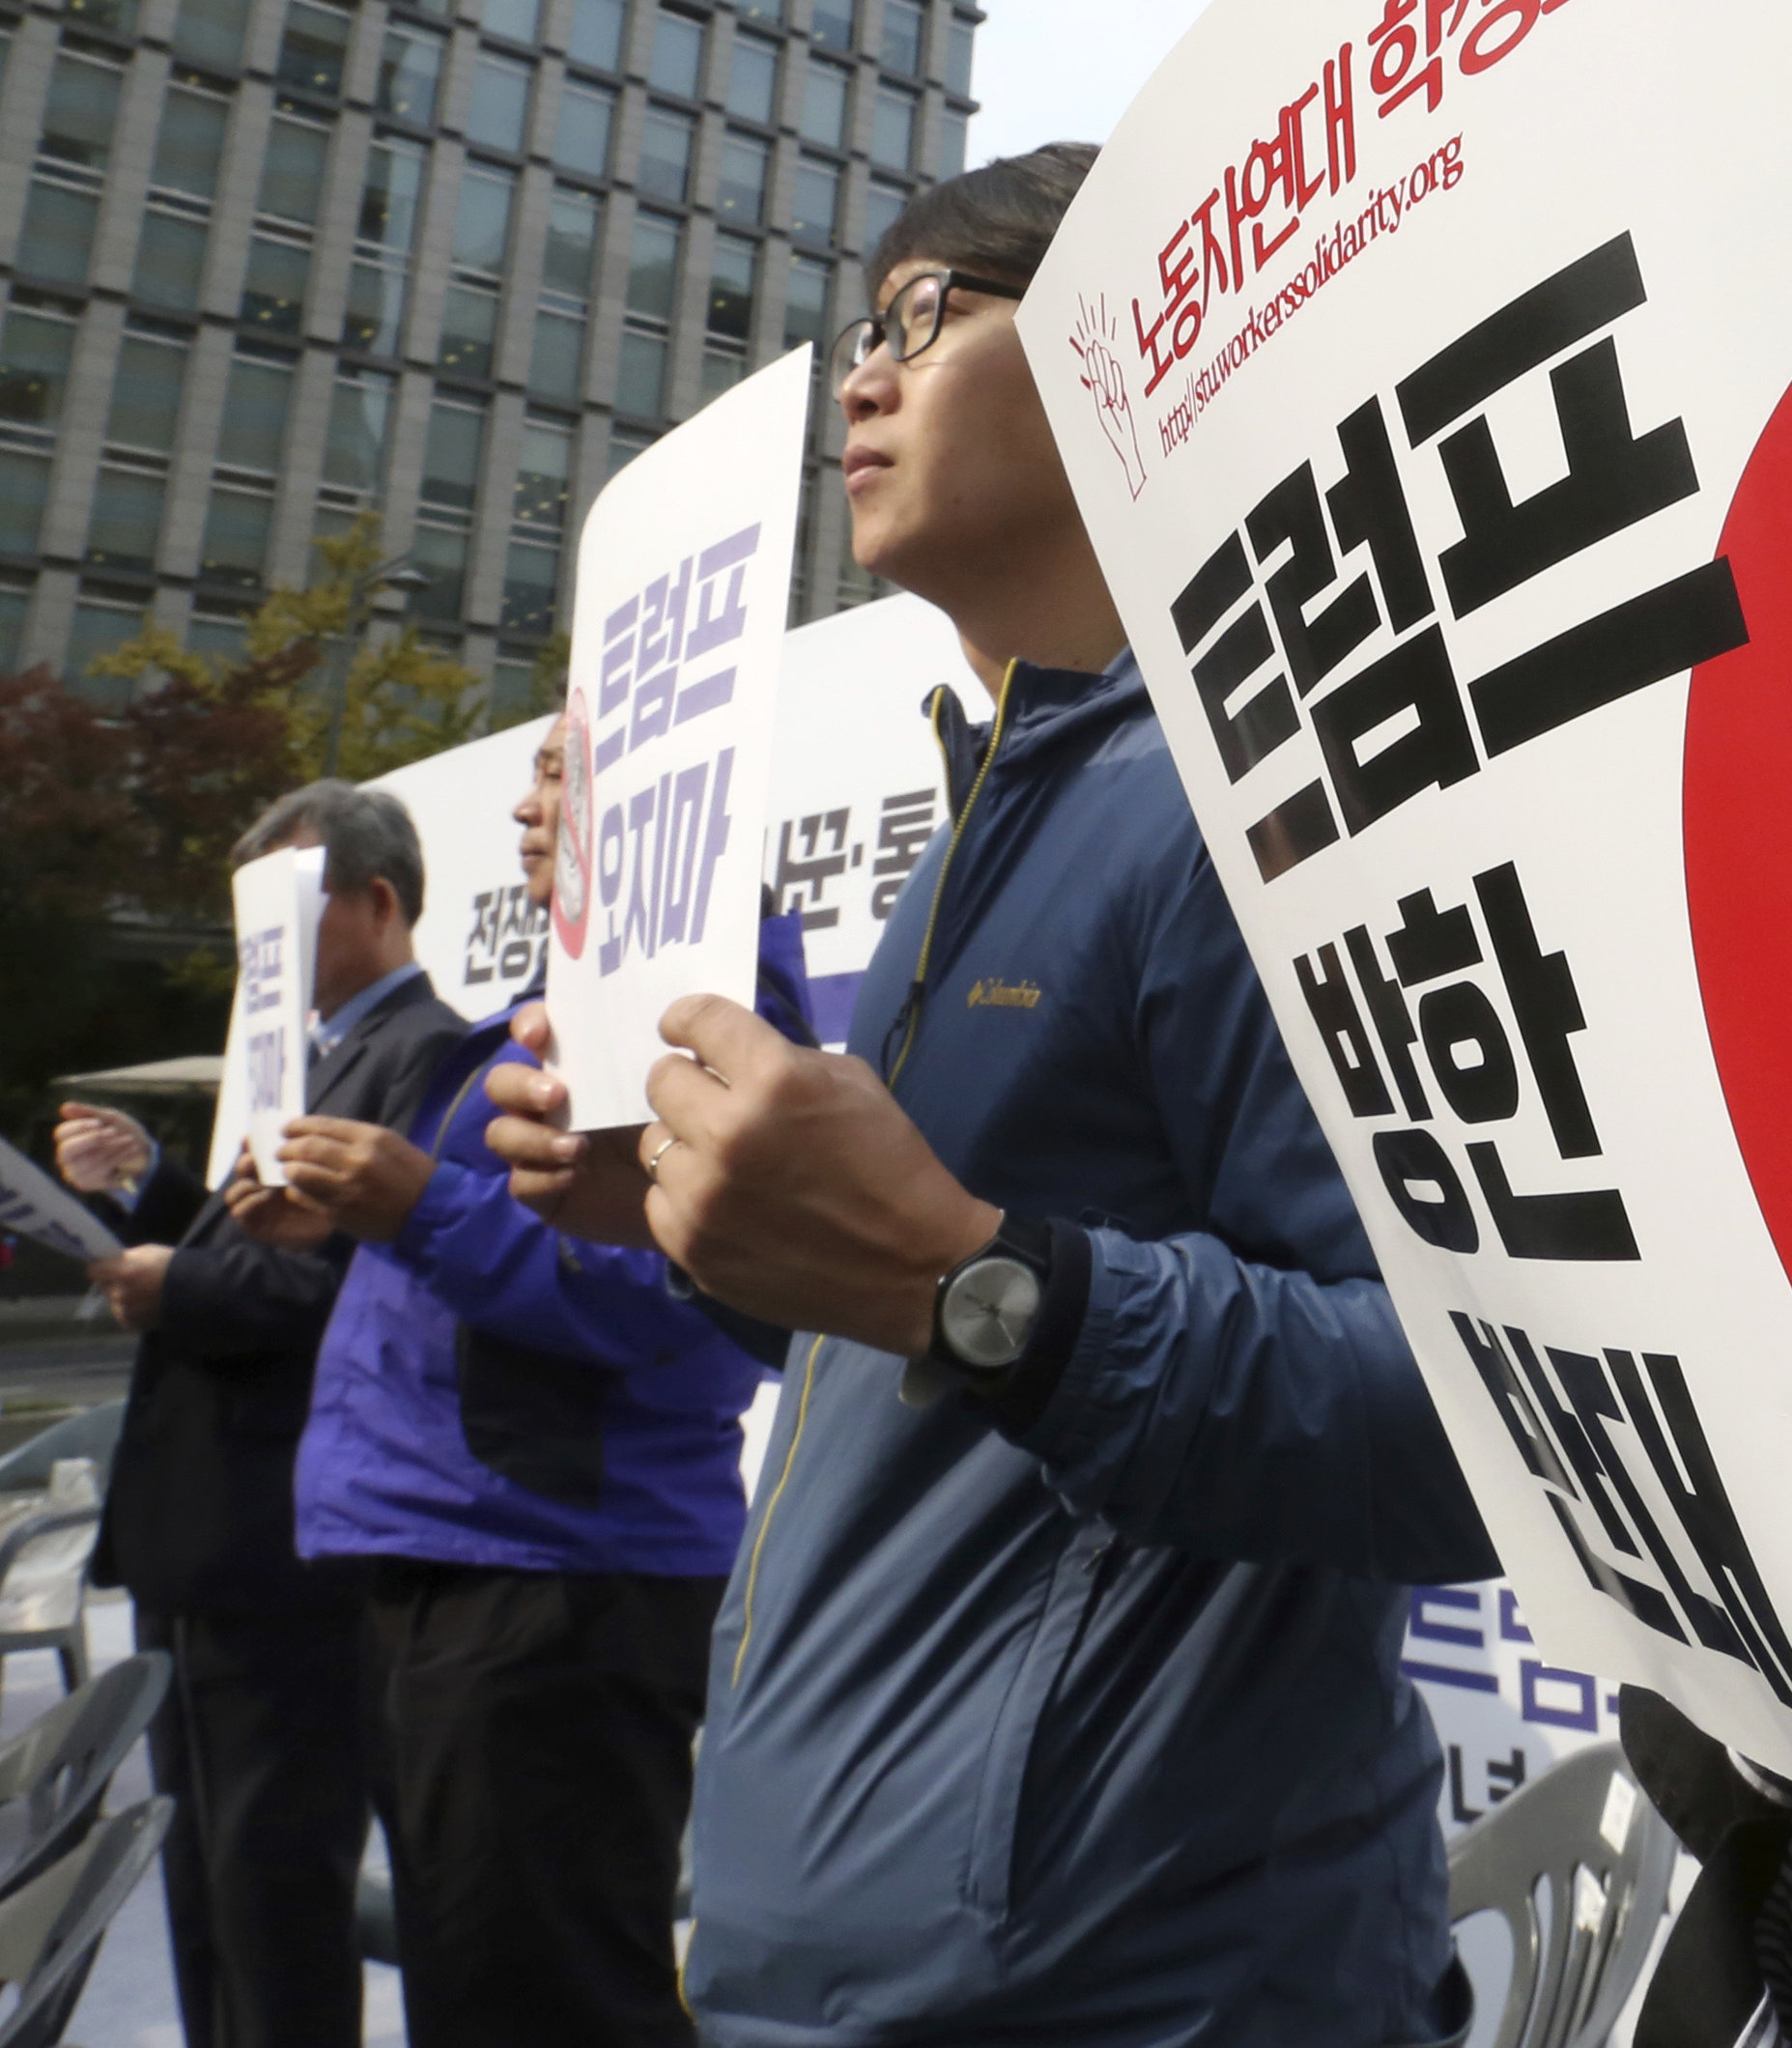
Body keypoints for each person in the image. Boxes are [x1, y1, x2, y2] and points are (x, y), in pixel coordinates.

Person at [483, 142, 1497, 2048]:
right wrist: (687, 1213)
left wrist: (970, 1284)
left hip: (1131, 1992)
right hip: (856, 1971)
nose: (859, 381)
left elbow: (1468, 1434)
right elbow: (925, 1345)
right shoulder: (985, 825)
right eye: (860, 332)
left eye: (929, 317)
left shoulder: (1250, 804)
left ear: (1135, 341)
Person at [227, 725, 788, 2048]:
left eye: (564, 772)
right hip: (465, 1564)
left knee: (537, 2003)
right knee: (481, 1986)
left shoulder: (699, 997)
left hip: (549, 1584)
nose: (530, 807)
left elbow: (696, 1298)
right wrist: (354, 1216)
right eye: (538, 774)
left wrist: (419, 1206)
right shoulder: (568, 1000)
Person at [60, 781, 463, 2048]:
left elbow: (340, 1285)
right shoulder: (296, 1052)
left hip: (283, 1538)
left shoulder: (424, 1055)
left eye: (282, 907)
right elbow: (251, 1245)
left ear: (377, 899)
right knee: (207, 1885)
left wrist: (176, 1280)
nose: (257, 946)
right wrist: (153, 1192)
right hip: (206, 1526)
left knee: (270, 1880)